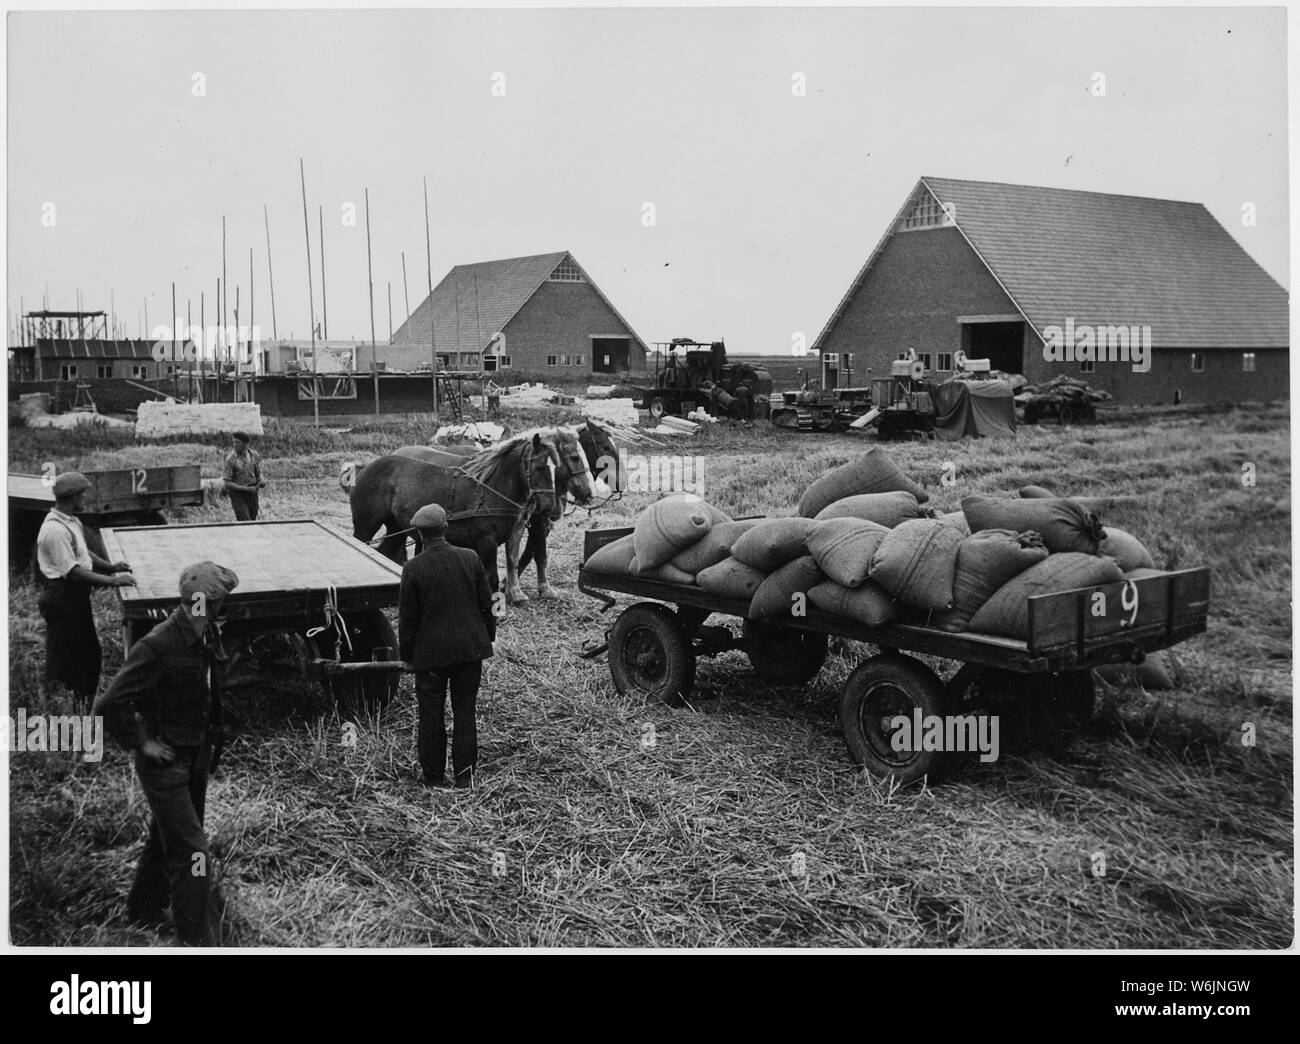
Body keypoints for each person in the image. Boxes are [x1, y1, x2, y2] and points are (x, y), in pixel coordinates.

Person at [94, 561, 240, 946]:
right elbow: (109, 703)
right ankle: (200, 938)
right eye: (221, 602)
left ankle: (144, 906)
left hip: (195, 755)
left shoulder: (205, 634)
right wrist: (141, 742)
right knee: (193, 852)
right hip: (166, 764)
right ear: (204, 604)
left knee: (168, 834)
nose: (223, 609)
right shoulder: (158, 644)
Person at [398, 503, 496, 789]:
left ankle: (433, 777)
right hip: (470, 650)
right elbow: (487, 604)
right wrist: (485, 637)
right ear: (446, 528)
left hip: (430, 656)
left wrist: (408, 657)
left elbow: (408, 621)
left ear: (418, 533)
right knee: (465, 712)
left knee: (431, 714)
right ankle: (465, 777)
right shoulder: (470, 558)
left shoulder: (412, 569)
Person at [34, 471, 135, 706]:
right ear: (72, 497)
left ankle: (80, 702)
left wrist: (110, 566)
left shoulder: (71, 521)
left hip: (74, 598)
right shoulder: (55, 531)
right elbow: (73, 571)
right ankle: (57, 705)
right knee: (63, 657)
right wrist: (113, 581)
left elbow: (83, 553)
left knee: (85, 655)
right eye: (82, 495)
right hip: (62, 598)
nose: (85, 500)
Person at [222, 432, 264, 521]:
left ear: (246, 444)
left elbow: (258, 472)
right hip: (238, 495)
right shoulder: (230, 459)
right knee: (245, 521)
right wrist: (246, 489)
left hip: (253, 493)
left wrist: (261, 480)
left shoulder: (253, 455)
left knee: (253, 519)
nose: (234, 445)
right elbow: (227, 483)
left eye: (237, 442)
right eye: (234, 442)